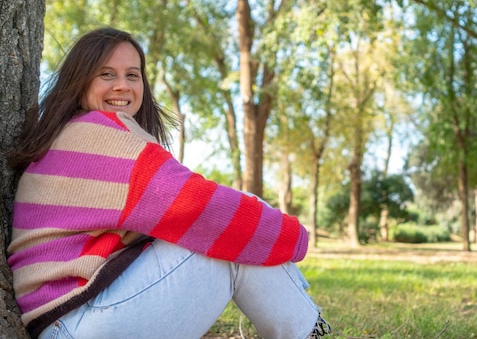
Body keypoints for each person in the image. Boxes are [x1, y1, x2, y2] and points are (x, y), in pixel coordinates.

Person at [8, 27, 331, 339]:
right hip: (78, 322)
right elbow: (198, 206)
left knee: (236, 223)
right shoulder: (95, 131)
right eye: (106, 74)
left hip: (71, 324)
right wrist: (294, 237)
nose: (122, 85)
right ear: (80, 82)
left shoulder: (70, 135)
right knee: (234, 222)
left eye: (132, 75)